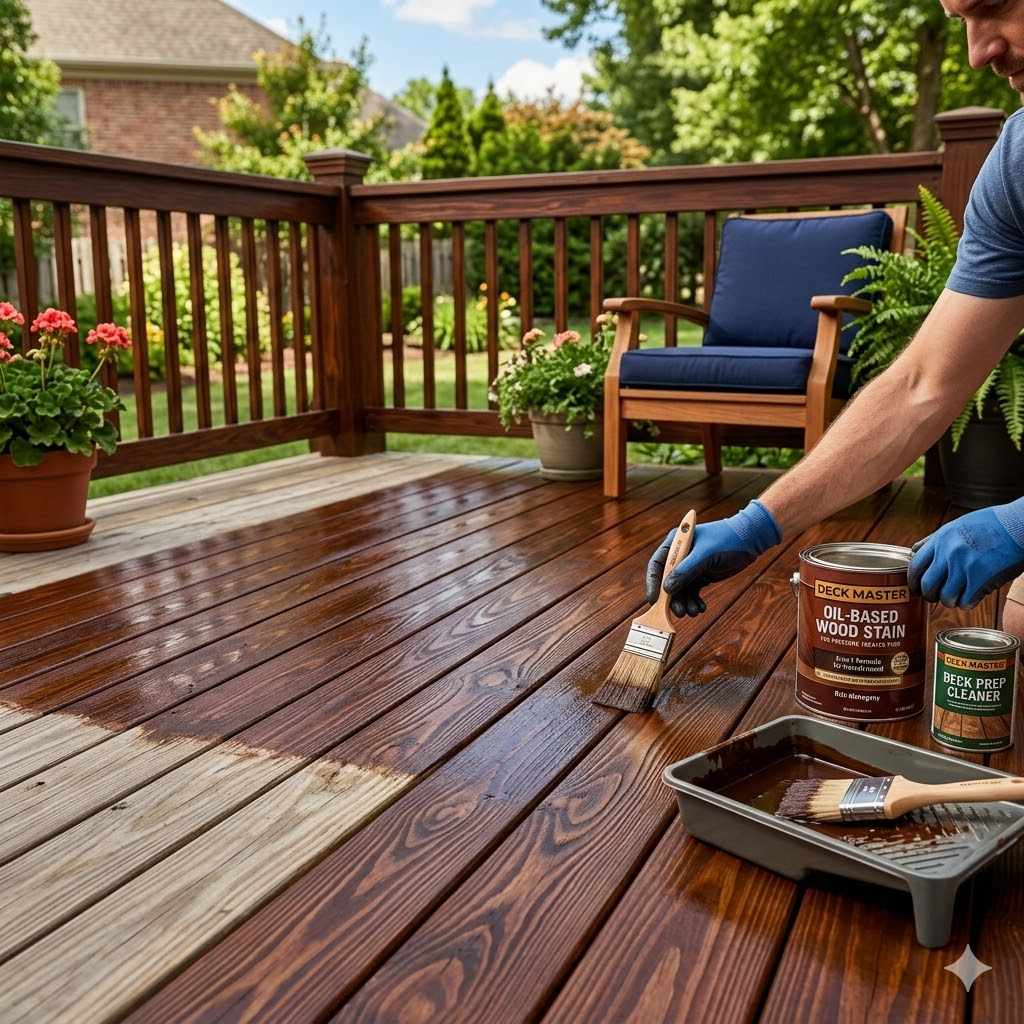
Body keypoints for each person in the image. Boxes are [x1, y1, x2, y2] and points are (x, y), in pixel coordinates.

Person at [647, 0, 1024, 636]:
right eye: (962, 20)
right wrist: (757, 522)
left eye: (995, 8)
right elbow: (922, 385)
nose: (978, 51)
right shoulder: (1017, 166)